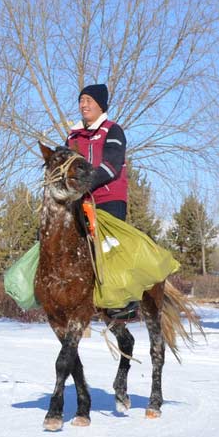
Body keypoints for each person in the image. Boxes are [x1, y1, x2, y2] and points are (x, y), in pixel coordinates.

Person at [67, 83, 137, 319]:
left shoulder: (112, 130)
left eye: (88, 100)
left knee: (109, 247)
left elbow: (112, 165)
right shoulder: (73, 135)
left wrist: (87, 182)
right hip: (80, 199)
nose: (83, 104)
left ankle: (123, 299)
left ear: (101, 105)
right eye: (81, 100)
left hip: (109, 198)